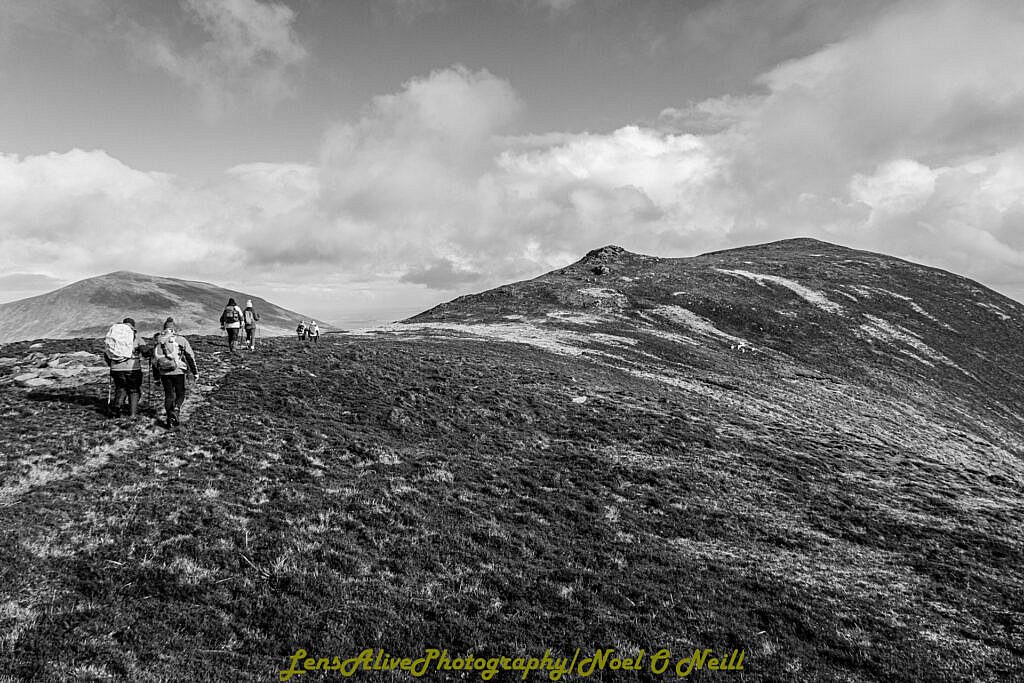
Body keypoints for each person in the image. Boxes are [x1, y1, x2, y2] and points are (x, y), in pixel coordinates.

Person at [151, 317, 199, 428]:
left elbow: (154, 361)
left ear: (164, 329)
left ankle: (169, 418)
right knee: (180, 393)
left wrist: (156, 378)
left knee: (168, 395)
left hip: (163, 372)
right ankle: (176, 409)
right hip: (178, 371)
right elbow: (190, 356)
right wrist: (195, 372)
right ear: (174, 329)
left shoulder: (158, 341)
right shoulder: (181, 340)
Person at [103, 317, 147, 418]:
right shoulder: (137, 338)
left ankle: (117, 410)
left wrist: (112, 364)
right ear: (133, 326)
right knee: (134, 390)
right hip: (132, 368)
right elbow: (144, 352)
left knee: (120, 388)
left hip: (116, 369)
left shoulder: (114, 338)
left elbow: (106, 353)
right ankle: (132, 414)